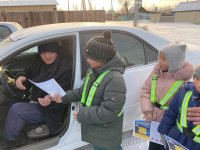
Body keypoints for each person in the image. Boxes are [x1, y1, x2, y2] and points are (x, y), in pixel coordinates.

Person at [40, 30, 126, 150]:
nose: (87, 60)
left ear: (101, 59)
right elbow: (82, 92)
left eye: (90, 57)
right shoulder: (93, 71)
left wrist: (82, 114)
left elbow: (108, 112)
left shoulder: (115, 79)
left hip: (106, 131)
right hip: (96, 128)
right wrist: (63, 97)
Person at [0, 42, 71, 150]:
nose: (47, 56)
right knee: (13, 100)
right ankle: (14, 130)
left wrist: (50, 100)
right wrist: (21, 77)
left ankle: (7, 142)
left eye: (51, 52)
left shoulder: (65, 69)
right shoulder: (40, 62)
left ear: (57, 52)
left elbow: (65, 96)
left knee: (17, 109)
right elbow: (28, 73)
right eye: (43, 53)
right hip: (35, 98)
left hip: (52, 109)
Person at [140, 43, 193, 150]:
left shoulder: (183, 81)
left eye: (164, 59)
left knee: (166, 146)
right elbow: (145, 90)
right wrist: (148, 110)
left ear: (174, 62)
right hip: (154, 120)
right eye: (159, 58)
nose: (160, 61)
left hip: (170, 123)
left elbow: (183, 106)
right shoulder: (156, 74)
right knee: (154, 146)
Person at [158, 65, 200, 150]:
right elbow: (171, 113)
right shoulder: (184, 91)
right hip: (176, 138)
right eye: (197, 79)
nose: (199, 84)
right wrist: (163, 131)